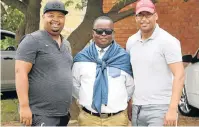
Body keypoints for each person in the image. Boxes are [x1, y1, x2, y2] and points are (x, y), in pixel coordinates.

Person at [126, 0, 185, 126]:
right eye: (140, 15)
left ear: (156, 16)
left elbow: (179, 75)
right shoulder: (131, 42)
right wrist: (130, 102)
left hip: (161, 108)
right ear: (135, 18)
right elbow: (132, 74)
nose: (144, 19)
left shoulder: (168, 41)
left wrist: (173, 109)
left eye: (148, 15)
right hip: (137, 108)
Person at [15, 0, 73, 126]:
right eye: (51, 15)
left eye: (60, 16)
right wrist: (24, 106)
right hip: (41, 114)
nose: (56, 19)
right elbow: (20, 73)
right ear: (43, 17)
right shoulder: (32, 40)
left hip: (62, 114)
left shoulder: (66, 44)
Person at [72, 16, 134, 126]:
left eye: (108, 31)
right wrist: (85, 100)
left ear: (113, 33)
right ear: (93, 33)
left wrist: (118, 101)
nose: (103, 34)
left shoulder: (123, 58)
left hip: (117, 120)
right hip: (88, 119)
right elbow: (75, 85)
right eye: (99, 31)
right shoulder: (82, 58)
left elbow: (130, 87)